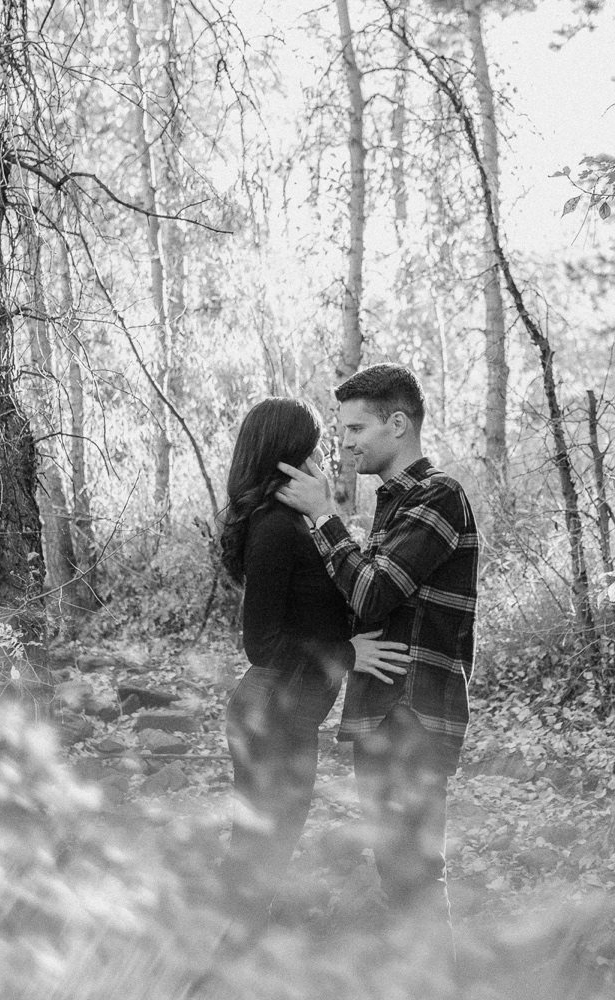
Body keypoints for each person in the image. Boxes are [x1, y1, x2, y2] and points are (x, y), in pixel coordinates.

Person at [275, 363, 478, 940]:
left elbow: (371, 593)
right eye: (342, 432)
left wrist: (323, 515)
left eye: (356, 429)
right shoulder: (393, 506)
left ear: (397, 424)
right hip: (384, 715)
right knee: (398, 877)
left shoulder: (439, 497)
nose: (344, 444)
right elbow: (363, 602)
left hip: (412, 716)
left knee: (413, 878)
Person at [216, 397, 410, 936]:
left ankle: (236, 949)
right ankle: (229, 959)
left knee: (265, 843)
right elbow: (261, 643)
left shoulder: (299, 524)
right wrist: (348, 654)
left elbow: (325, 607)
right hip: (270, 716)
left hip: (287, 715)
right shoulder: (276, 528)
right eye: (314, 445)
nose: (325, 454)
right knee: (263, 845)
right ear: (286, 456)